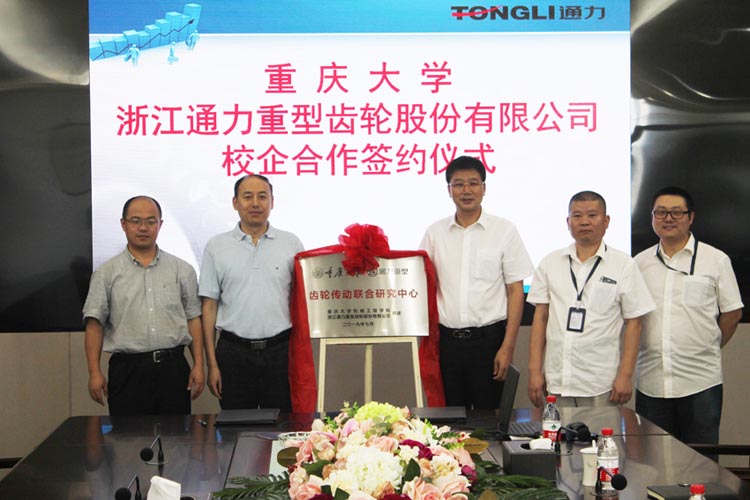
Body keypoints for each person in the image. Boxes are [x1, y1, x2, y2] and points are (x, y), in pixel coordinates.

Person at [419, 156, 534, 409]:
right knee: (449, 420)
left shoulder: (504, 230)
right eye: (458, 184)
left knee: (489, 420)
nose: (466, 190)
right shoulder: (435, 233)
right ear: (449, 190)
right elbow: (421, 282)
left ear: (484, 188)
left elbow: (516, 291)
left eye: (473, 183)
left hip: (489, 342)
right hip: (447, 344)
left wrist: (508, 347)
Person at [634, 186, 743, 445]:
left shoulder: (715, 260)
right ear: (652, 217)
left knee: (701, 458)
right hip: (651, 380)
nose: (668, 218)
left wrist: (708, 345)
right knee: (653, 457)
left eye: (676, 212)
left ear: (691, 217)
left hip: (700, 380)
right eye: (661, 213)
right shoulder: (639, 263)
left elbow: (732, 313)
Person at [527, 191, 655, 408]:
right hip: (558, 380)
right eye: (577, 216)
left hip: (600, 383)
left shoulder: (623, 265)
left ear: (606, 221)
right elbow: (541, 318)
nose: (584, 221)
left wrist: (625, 375)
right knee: (556, 431)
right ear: (568, 222)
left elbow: (634, 322)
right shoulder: (550, 262)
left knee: (601, 432)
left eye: (592, 215)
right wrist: (534, 371)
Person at [83, 196, 204, 415]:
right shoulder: (106, 273)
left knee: (176, 434)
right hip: (127, 370)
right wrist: (94, 372)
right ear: (123, 224)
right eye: (135, 221)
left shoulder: (182, 269)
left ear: (160, 224)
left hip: (173, 368)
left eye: (150, 221)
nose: (143, 228)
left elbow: (193, 319)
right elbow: (94, 324)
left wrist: (198, 365)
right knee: (128, 434)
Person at [200, 174, 304, 410]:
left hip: (280, 351)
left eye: (262, 197)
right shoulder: (217, 246)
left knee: (282, 425)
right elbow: (209, 306)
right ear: (235, 202)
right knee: (236, 426)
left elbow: (301, 300)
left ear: (272, 202)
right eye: (248, 197)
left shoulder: (291, 243)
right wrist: (212, 364)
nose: (255, 203)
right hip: (233, 352)